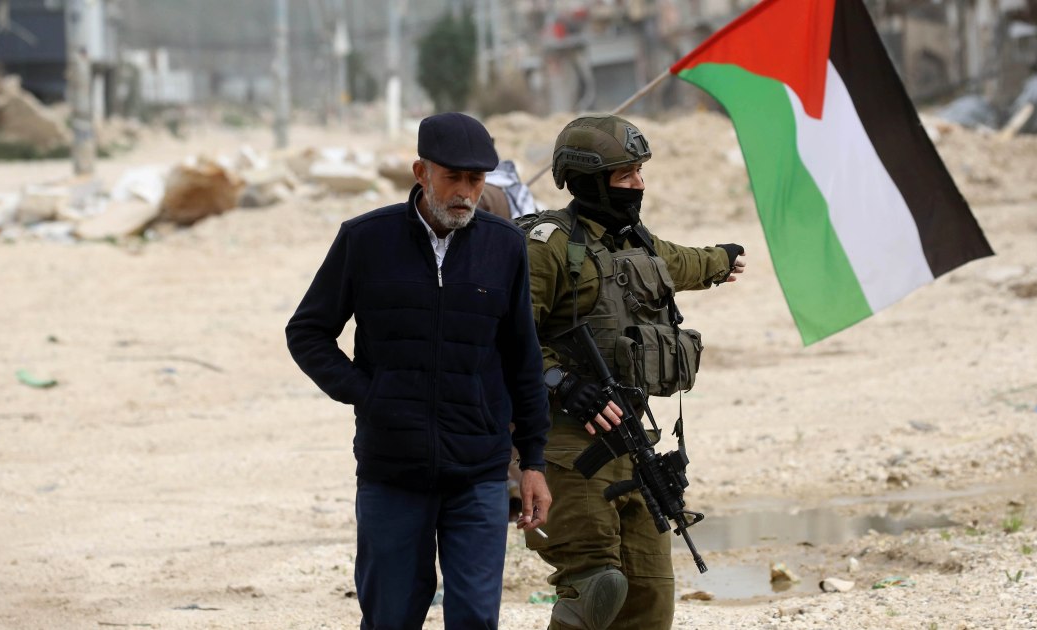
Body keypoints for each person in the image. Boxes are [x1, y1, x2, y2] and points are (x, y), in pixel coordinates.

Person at [285, 112, 551, 630]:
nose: (465, 192)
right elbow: (308, 332)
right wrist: (368, 393)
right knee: (390, 617)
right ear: (421, 172)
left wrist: (535, 462)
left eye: (476, 180)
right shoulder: (365, 240)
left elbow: (524, 358)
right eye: (453, 177)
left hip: (479, 471)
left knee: (475, 619)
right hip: (392, 470)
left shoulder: (504, 246)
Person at [522, 114, 745, 630]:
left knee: (650, 599)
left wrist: (722, 259)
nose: (639, 185)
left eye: (640, 172)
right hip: (569, 448)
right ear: (589, 181)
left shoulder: (634, 241)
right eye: (626, 175)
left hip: (633, 442)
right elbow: (505, 341)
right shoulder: (547, 247)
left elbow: (679, 262)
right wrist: (561, 382)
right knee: (596, 590)